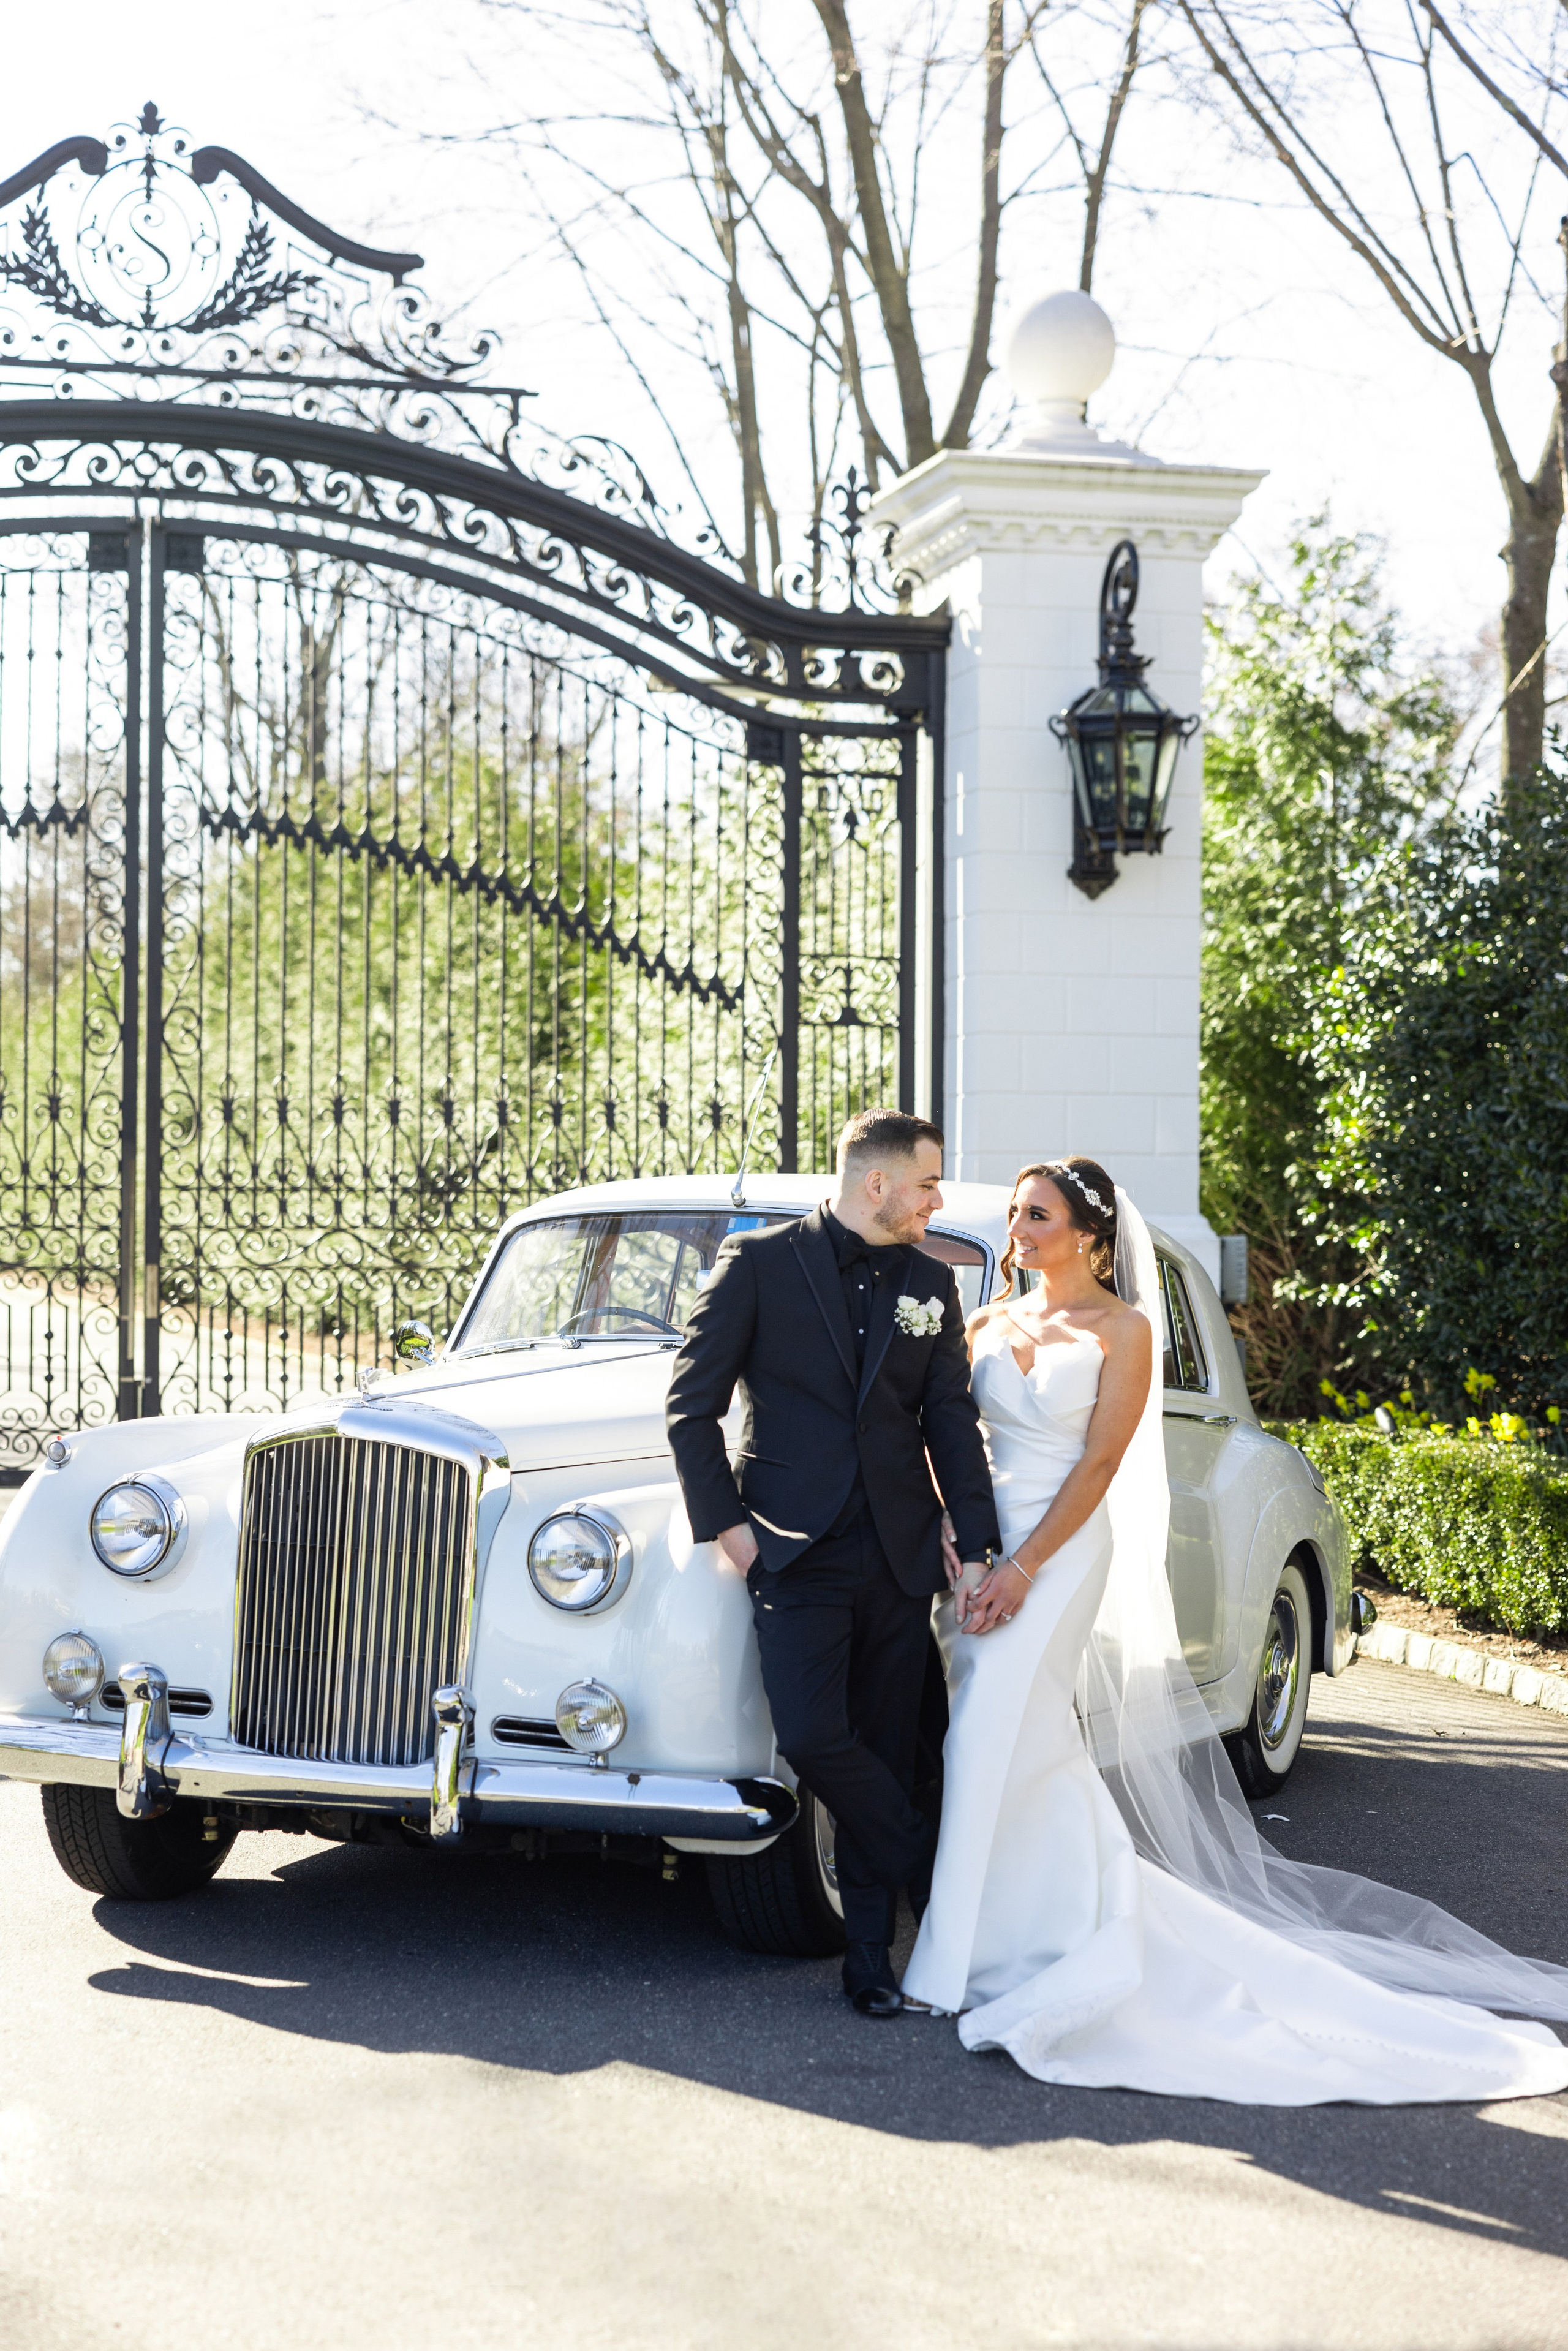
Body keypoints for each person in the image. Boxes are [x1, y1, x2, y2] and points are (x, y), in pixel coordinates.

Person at [902, 1155, 1568, 2103]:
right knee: (1018, 1739)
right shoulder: (985, 1323)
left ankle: (952, 1961)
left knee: (989, 1730)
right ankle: (1064, 1919)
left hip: (1060, 1549)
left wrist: (1022, 1567)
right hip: (980, 1549)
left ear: (1089, 1235)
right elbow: (947, 1439)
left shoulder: (1125, 1330)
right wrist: (956, 1533)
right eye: (1015, 1212)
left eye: (1037, 1215)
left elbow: (1099, 1466)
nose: (1019, 1230)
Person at [666, 1108, 1001, 2018]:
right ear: (877, 1183)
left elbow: (951, 1422)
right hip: (789, 1548)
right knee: (813, 1737)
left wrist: (976, 1544)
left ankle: (869, 1959)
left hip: (899, 1552)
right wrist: (729, 1529)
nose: (937, 1200)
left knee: (886, 1744)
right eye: (927, 1183)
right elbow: (691, 1407)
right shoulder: (757, 1264)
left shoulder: (932, 1281)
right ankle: (922, 1856)